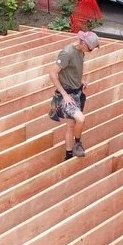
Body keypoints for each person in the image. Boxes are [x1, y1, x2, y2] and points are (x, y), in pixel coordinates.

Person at [47, 30, 98, 160]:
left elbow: (71, 71)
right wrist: (64, 95)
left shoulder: (80, 52)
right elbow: (52, 73)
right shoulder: (67, 53)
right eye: (90, 49)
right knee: (81, 119)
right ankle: (77, 144)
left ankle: (68, 156)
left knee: (71, 126)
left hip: (76, 93)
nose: (89, 51)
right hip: (66, 96)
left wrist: (79, 81)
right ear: (83, 42)